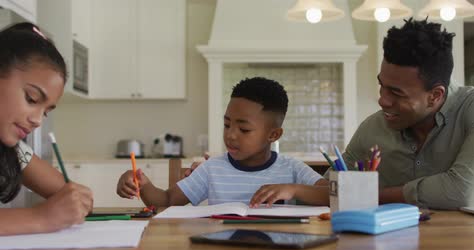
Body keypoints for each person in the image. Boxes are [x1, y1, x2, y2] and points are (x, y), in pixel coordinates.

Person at [341, 18, 474, 209]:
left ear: (435, 95)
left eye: (396, 93)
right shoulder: (372, 128)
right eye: (381, 86)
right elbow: (332, 186)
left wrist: (372, 195)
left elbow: (463, 192)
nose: (382, 100)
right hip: (397, 237)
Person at [116, 77, 329, 207]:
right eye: (227, 125)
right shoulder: (212, 169)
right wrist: (142, 185)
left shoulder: (291, 169)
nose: (231, 135)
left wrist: (293, 190)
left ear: (273, 135)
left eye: (244, 129)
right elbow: (166, 201)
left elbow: (332, 195)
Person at [0, 23, 93, 235]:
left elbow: (68, 194)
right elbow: (47, 216)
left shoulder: (11, 151)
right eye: (31, 99)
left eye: (46, 112)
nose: (37, 121)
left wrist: (77, 201)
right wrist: (40, 218)